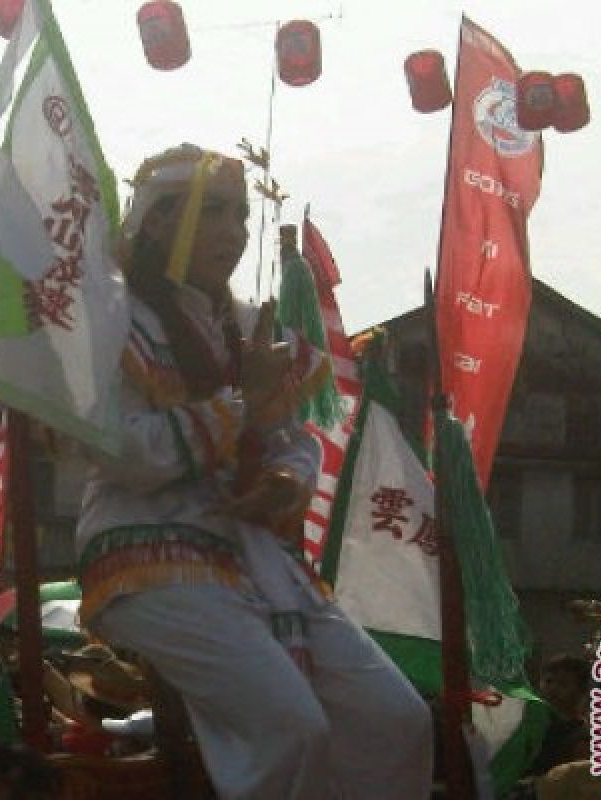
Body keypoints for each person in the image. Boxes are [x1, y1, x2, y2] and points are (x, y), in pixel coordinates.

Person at [75, 143, 433, 799]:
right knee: (289, 729)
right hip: (146, 549)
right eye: (212, 213)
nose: (234, 233)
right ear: (155, 221)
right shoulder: (114, 319)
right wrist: (241, 401)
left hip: (256, 558)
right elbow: (125, 454)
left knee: (397, 720)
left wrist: (287, 482)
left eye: (240, 216)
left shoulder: (247, 328)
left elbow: (291, 441)